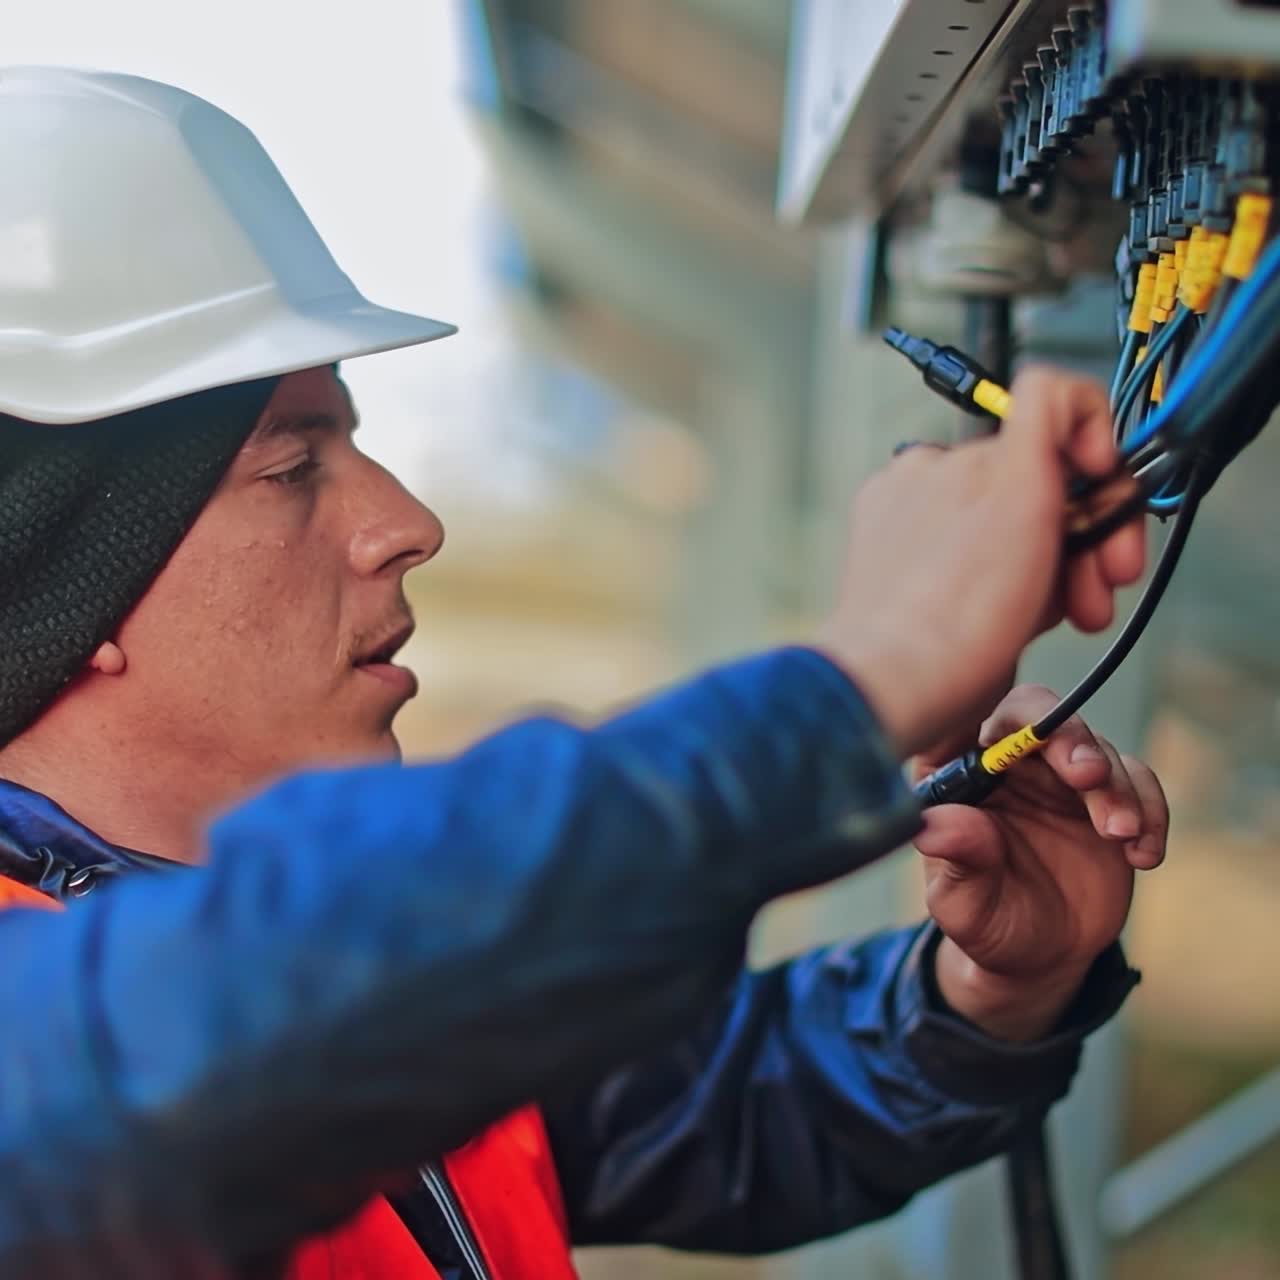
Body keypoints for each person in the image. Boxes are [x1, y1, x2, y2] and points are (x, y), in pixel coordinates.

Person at [0, 68, 1166, 1279]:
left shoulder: (378, 1001)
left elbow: (726, 1108)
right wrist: (860, 679)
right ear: (69, 584)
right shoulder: (150, 1031)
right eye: (293, 466)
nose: (407, 520)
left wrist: (987, 989)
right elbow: (165, 1055)